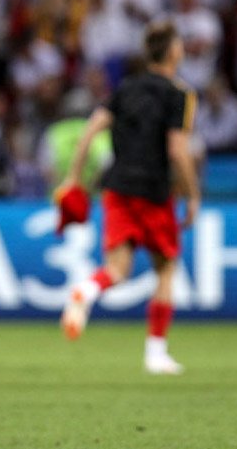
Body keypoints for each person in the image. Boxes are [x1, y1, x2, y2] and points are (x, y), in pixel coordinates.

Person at [59, 21, 200, 375]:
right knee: (165, 267)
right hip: (153, 191)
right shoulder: (179, 94)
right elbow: (178, 151)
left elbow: (89, 133)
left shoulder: (125, 89)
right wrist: (193, 195)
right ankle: (156, 353)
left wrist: (73, 179)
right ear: (172, 51)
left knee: (116, 270)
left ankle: (87, 291)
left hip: (118, 187)